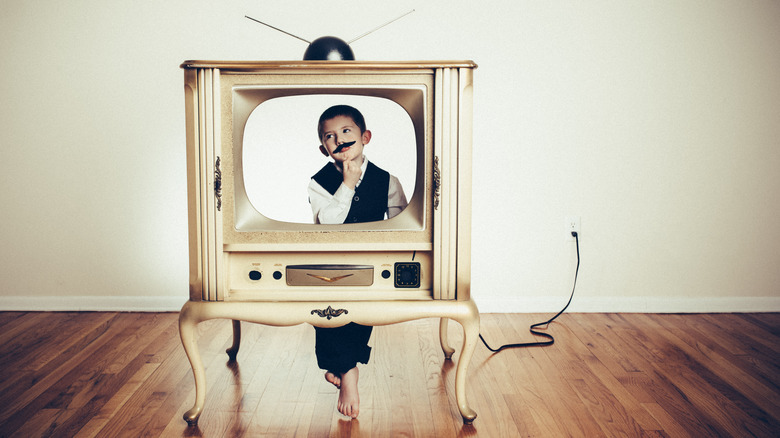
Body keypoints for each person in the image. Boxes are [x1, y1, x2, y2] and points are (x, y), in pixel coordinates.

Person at [307, 104, 408, 418]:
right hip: (328, 261)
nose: (339, 140)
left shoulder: (387, 180)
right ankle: (345, 370)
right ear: (324, 149)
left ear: (365, 137)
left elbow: (402, 224)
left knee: (362, 310)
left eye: (346, 132)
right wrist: (347, 184)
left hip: (370, 263)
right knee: (324, 310)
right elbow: (327, 224)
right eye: (330, 136)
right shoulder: (318, 182)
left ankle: (344, 370)